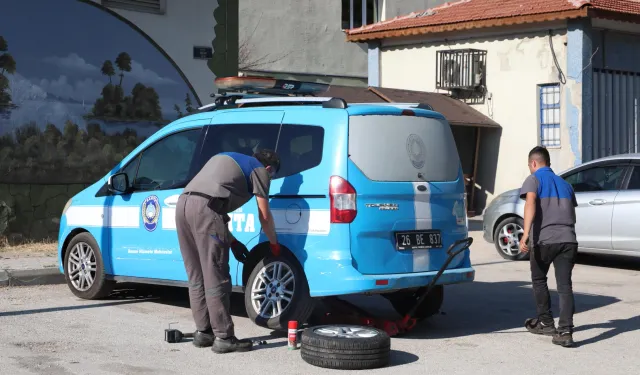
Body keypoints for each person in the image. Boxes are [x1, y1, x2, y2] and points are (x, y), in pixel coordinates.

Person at [175, 149, 281, 354]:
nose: (270, 178)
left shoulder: (229, 159)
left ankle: (203, 332)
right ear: (269, 168)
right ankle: (224, 337)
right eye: (273, 174)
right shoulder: (260, 170)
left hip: (183, 205)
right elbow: (264, 215)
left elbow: (212, 203)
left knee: (196, 275)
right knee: (216, 275)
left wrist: (232, 242)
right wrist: (274, 243)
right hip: (205, 209)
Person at [518, 146, 578, 347]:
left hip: (544, 240)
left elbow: (530, 203)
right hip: (568, 239)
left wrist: (525, 234)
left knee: (539, 280)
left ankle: (546, 323)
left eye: (529, 165)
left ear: (533, 163)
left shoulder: (533, 179)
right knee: (564, 286)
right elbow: (572, 214)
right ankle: (566, 332)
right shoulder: (565, 184)